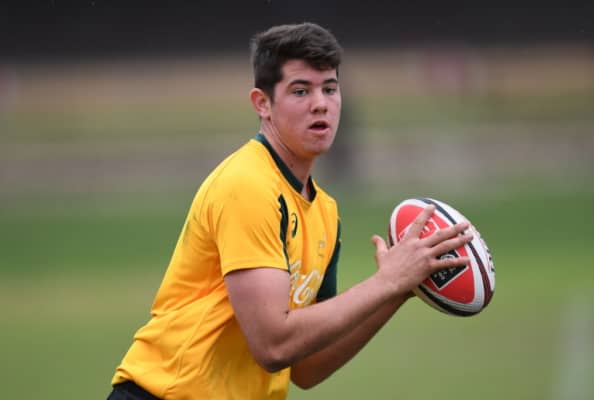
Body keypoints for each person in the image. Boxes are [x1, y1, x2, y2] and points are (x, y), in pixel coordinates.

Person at [107, 22, 472, 400]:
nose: (321, 103)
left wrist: (398, 290)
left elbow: (307, 366)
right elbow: (273, 346)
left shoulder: (324, 211)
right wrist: (385, 283)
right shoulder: (247, 186)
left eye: (329, 88)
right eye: (301, 90)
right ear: (262, 104)